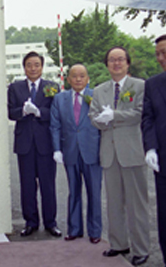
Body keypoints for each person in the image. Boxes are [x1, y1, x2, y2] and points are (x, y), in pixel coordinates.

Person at [89, 46, 149, 266]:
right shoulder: (99, 90)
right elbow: (93, 116)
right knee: (113, 203)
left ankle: (141, 248)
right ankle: (118, 243)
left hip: (132, 152)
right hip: (109, 152)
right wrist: (101, 119)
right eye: (112, 60)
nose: (116, 63)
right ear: (107, 64)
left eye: (120, 59)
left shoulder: (140, 86)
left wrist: (113, 115)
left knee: (137, 205)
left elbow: (140, 113)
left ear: (127, 63)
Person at [7, 51, 61, 238]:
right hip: (25, 144)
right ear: (24, 67)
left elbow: (56, 113)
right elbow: (10, 112)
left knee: (48, 185)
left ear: (42, 66)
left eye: (36, 64)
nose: (33, 68)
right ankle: (30, 222)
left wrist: (39, 112)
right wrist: (23, 111)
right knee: (27, 185)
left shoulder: (52, 86)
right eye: (29, 65)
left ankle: (50, 223)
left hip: (45, 143)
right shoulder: (15, 87)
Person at [50, 64, 102, 244]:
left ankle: (95, 231)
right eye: (74, 76)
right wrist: (57, 149)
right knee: (74, 191)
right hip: (70, 151)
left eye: (82, 76)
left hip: (92, 151)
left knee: (94, 192)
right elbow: (55, 126)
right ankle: (74, 229)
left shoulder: (96, 96)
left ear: (88, 79)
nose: (78, 79)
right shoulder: (59, 99)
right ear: (68, 79)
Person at [142, 34, 166, 267]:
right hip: (164, 163)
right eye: (157, 53)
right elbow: (148, 119)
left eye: (165, 52)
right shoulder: (153, 84)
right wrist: (151, 148)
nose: (160, 57)